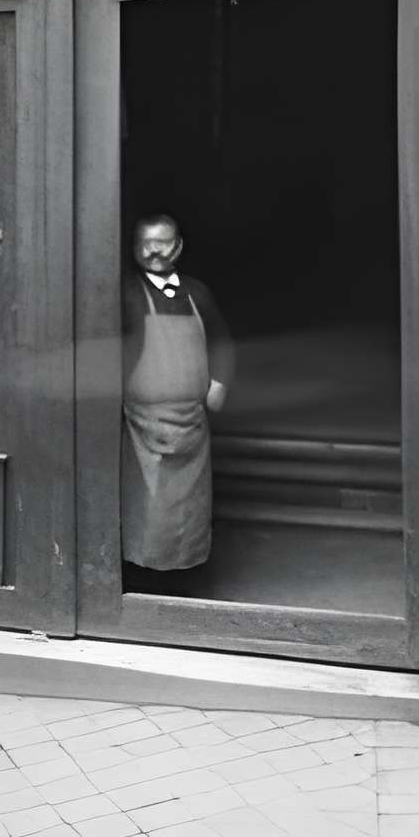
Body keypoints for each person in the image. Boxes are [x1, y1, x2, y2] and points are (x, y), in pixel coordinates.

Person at [120, 213, 235, 579]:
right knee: (149, 511)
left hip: (192, 423)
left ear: (179, 246)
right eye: (146, 243)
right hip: (143, 426)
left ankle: (186, 580)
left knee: (190, 508)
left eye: (163, 242)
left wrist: (219, 382)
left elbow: (221, 340)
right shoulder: (124, 292)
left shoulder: (197, 291)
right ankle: (144, 580)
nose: (154, 251)